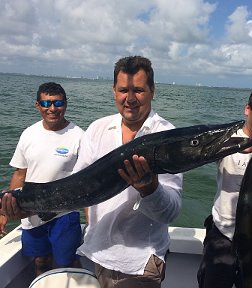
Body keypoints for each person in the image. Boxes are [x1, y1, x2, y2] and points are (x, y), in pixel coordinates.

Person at [73, 55, 183, 288]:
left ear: (153, 91)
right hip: (99, 253)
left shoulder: (167, 135)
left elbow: (171, 212)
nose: (130, 98)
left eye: (139, 90)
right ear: (113, 90)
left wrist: (149, 188)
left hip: (140, 261)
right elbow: (79, 185)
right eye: (123, 90)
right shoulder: (97, 128)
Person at [197, 85, 252, 288]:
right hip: (224, 238)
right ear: (248, 109)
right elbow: (201, 149)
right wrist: (244, 145)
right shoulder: (228, 137)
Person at [0, 82, 84, 276]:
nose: (52, 109)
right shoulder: (28, 134)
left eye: (58, 103)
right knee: (40, 261)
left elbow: (86, 183)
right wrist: (5, 212)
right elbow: (20, 173)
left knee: (67, 264)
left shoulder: (79, 136)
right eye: (46, 103)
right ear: (38, 105)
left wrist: (92, 220)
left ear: (66, 104)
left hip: (64, 213)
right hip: (31, 212)